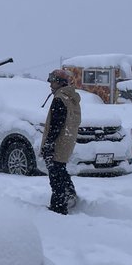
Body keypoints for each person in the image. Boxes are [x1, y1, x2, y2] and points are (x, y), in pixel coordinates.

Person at [41, 68, 81, 214]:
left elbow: (55, 125)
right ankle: (70, 194)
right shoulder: (71, 98)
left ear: (59, 83)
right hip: (67, 141)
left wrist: (48, 144)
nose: (50, 85)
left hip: (58, 143)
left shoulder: (59, 99)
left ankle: (58, 207)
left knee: (55, 176)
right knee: (61, 171)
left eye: (52, 82)